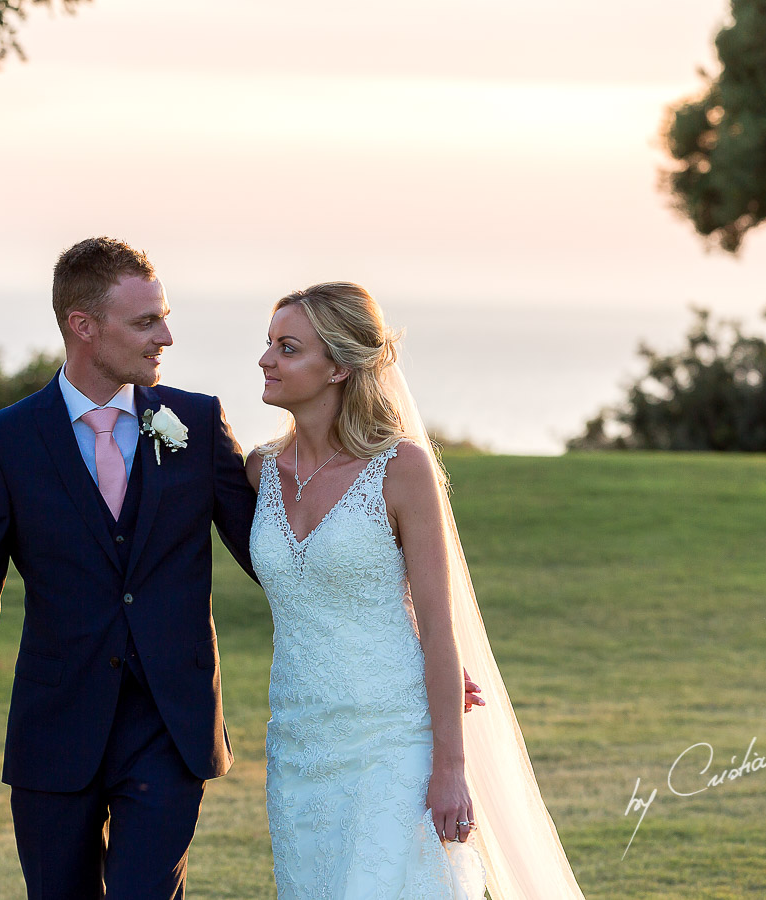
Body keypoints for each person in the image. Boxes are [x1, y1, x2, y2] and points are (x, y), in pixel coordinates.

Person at [0, 237, 260, 899]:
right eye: (145, 322)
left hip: (169, 729)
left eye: (163, 316)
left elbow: (273, 560)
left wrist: (408, 642)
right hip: (54, 734)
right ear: (83, 326)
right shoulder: (7, 442)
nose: (165, 335)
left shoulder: (195, 420)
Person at [246, 283, 587, 898]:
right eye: (269, 344)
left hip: (392, 740)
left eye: (288, 348)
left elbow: (438, 624)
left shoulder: (400, 469)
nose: (266, 360)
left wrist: (451, 771)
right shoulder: (259, 470)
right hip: (297, 744)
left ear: (340, 367)